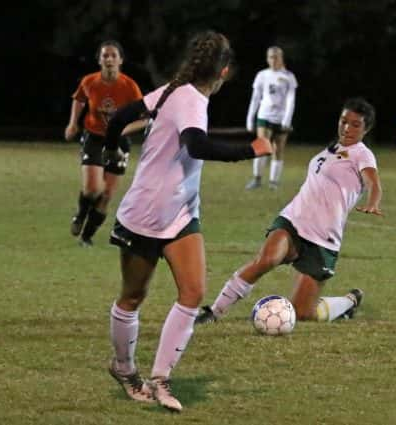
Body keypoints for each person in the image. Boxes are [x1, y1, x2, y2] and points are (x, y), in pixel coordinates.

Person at [101, 31, 273, 412]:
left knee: (193, 293)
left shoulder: (169, 91)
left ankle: (160, 379)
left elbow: (122, 117)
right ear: (224, 71)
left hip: (179, 215)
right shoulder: (190, 100)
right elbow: (197, 144)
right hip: (145, 216)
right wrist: (252, 149)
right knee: (133, 297)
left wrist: (113, 146)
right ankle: (125, 369)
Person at [197, 97, 382, 325]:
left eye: (355, 124)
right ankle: (213, 312)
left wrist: (373, 201)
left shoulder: (362, 154)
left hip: (323, 238)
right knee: (266, 259)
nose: (347, 128)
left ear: (367, 128)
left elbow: (373, 181)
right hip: (294, 220)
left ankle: (348, 302)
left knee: (303, 314)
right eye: (344, 121)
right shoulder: (333, 148)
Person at [64, 40, 143, 247]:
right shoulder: (90, 81)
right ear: (99, 60)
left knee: (106, 195)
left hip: (119, 142)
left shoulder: (129, 86)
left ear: (121, 60)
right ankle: (81, 214)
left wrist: (121, 131)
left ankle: (86, 237)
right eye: (105, 55)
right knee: (92, 189)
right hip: (94, 137)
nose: (109, 59)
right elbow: (79, 99)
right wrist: (73, 124)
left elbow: (144, 117)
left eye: (113, 56)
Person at [244, 46, 298, 190]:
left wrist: (287, 119)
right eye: (271, 57)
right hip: (264, 116)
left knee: (278, 149)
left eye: (276, 57)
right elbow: (255, 98)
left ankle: (274, 182)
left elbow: (290, 100)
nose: (274, 60)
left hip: (281, 118)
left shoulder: (289, 77)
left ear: (281, 58)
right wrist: (250, 118)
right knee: (262, 146)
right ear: (267, 59)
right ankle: (257, 179)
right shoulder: (262, 75)